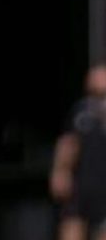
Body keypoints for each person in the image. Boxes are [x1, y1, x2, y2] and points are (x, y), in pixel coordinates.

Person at [52, 63, 106, 240]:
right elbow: (68, 143)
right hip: (81, 183)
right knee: (71, 228)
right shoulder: (81, 111)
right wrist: (60, 171)